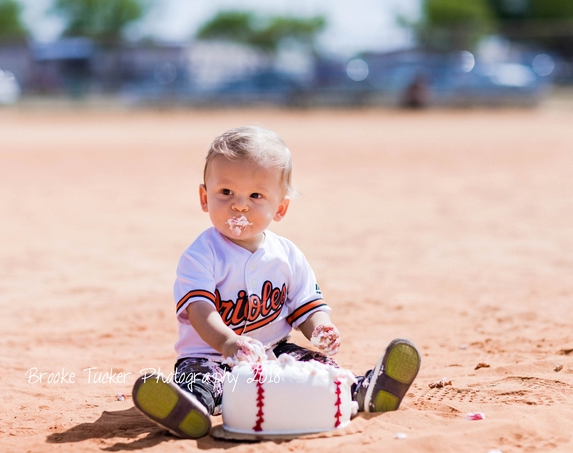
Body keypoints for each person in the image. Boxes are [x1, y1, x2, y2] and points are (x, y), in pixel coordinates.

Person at [132, 126, 421, 439]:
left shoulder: (288, 255)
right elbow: (201, 311)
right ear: (205, 197)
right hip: (210, 355)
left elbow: (306, 306)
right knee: (204, 380)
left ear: (280, 207)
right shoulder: (200, 255)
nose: (239, 205)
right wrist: (228, 343)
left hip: (275, 352)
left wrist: (320, 328)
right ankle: (188, 407)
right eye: (226, 192)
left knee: (320, 369)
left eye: (256, 196)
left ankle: (363, 389)